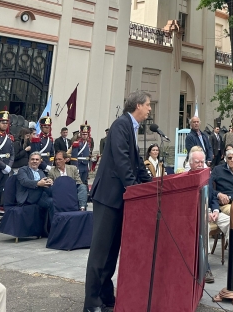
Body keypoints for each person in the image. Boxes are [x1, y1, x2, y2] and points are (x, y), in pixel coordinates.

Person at [83, 90, 153, 312]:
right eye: (148, 105)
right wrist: (134, 189)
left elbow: (137, 164)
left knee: (112, 252)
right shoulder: (121, 125)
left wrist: (153, 185)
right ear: (138, 105)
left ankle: (105, 297)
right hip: (108, 198)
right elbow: (122, 160)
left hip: (120, 200)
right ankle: (91, 302)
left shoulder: (132, 128)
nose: (150, 109)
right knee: (100, 252)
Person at [187, 147, 233, 281]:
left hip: (213, 213)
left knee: (231, 221)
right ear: (190, 163)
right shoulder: (187, 179)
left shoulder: (206, 175)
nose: (200, 164)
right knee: (204, 228)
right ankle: (205, 267)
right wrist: (205, 213)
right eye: (197, 162)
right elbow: (188, 204)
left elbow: (212, 197)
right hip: (198, 215)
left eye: (202, 162)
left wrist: (215, 210)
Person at [16, 152, 54, 228]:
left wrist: (50, 182)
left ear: (40, 162)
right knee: (51, 200)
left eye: (37, 160)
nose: (34, 161)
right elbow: (24, 181)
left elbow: (44, 185)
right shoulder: (23, 170)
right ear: (29, 161)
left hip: (40, 197)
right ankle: (54, 229)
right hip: (27, 197)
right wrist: (38, 183)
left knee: (55, 200)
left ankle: (54, 228)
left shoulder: (41, 172)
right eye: (32, 159)